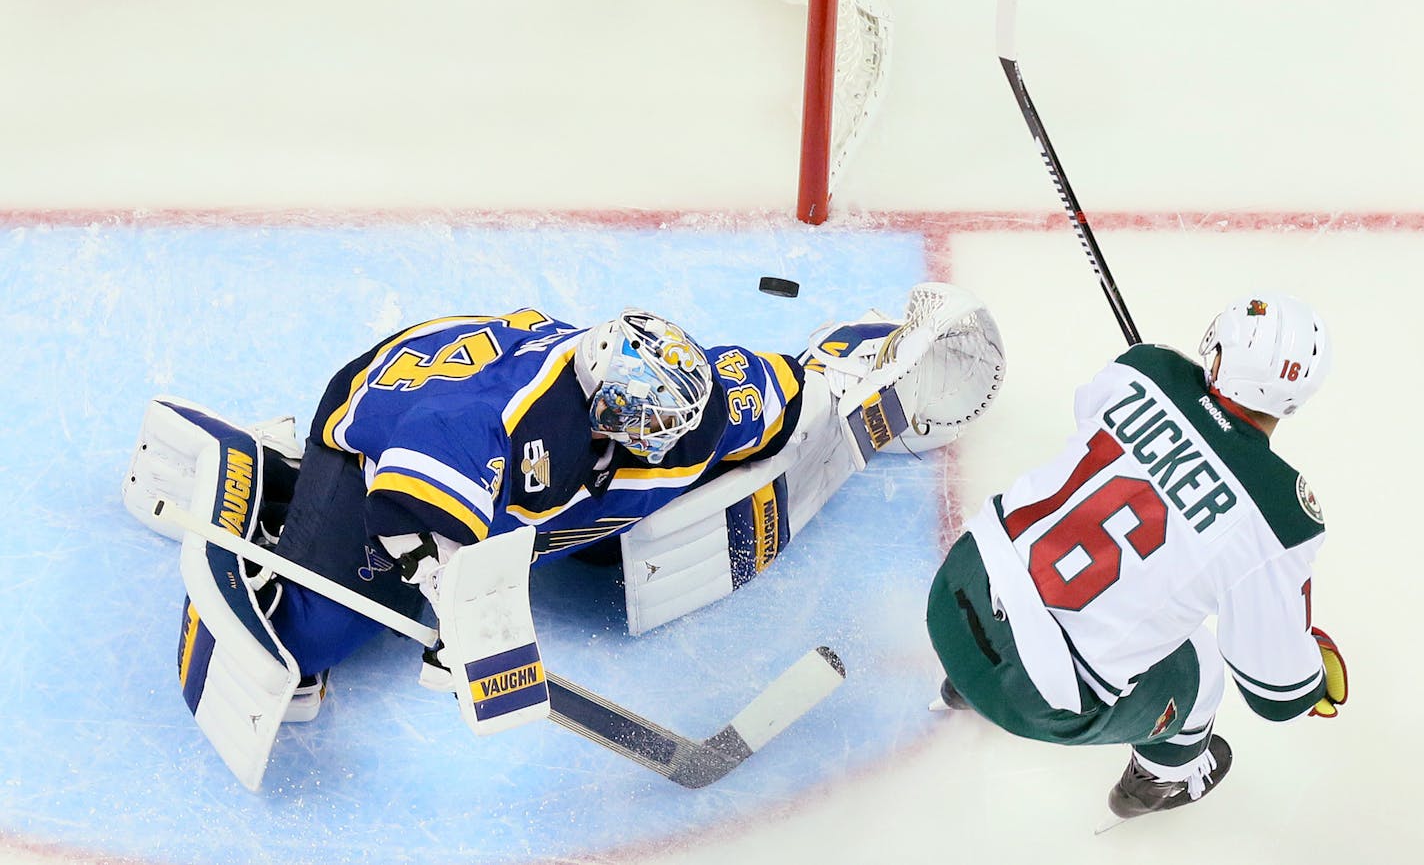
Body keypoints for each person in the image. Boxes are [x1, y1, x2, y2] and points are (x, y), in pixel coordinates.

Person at [124, 286, 1007, 787]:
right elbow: (413, 516)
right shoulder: (501, 424)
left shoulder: (689, 403)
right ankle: (277, 481)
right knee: (315, 642)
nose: (675, 450)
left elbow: (780, 398)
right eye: (651, 436)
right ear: (604, 421)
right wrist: (451, 603)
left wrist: (867, 381)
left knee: (643, 516)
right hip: (376, 436)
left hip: (490, 481)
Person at [925, 292, 1349, 827]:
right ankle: (1158, 782)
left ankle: (960, 683)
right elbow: (1276, 692)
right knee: (1203, 671)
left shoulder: (1146, 368)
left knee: (1027, 569)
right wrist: (1309, 672)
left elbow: (1092, 419)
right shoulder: (1281, 515)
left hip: (952, 591)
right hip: (1029, 694)